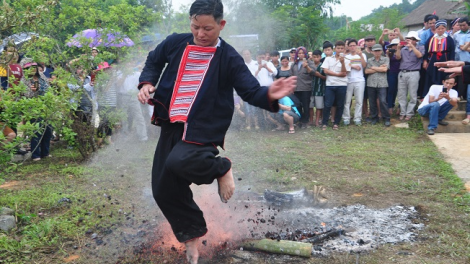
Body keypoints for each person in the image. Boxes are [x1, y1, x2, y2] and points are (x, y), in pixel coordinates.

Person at [136, 1, 297, 263]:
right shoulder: (176, 42)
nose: (200, 34)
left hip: (203, 125)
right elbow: (153, 61)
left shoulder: (229, 57)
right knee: (163, 188)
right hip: (171, 122)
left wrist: (268, 94)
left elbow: (249, 90)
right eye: (195, 27)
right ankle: (192, 238)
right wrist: (147, 83)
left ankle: (221, 167)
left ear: (221, 25)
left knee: (180, 160)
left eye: (208, 29)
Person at [20, 58, 52, 161]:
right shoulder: (24, 80)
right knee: (36, 132)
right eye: (29, 68)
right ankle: (36, 155)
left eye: (34, 67)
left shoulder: (41, 76)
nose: (32, 69)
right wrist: (34, 91)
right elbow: (25, 95)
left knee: (48, 130)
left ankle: (45, 153)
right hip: (33, 109)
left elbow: (49, 88)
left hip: (45, 107)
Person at [321, 41, 350, 130]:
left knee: (340, 104)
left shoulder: (347, 59)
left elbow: (344, 72)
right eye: (338, 48)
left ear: (344, 49)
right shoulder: (328, 59)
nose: (340, 50)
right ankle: (324, 122)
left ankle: (336, 123)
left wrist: (342, 63)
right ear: (335, 49)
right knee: (328, 104)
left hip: (342, 85)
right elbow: (325, 71)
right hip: (330, 84)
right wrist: (338, 74)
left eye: (342, 48)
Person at [395, 31, 424, 121]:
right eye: (408, 39)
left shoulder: (421, 47)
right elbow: (398, 58)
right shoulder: (403, 49)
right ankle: (403, 112)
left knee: (412, 94)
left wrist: (412, 47)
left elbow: (419, 55)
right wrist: (398, 48)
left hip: (414, 72)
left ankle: (410, 113)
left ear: (415, 40)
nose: (408, 41)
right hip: (402, 72)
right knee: (401, 94)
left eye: (411, 39)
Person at [423, 20, 455, 97]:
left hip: (445, 58)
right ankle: (428, 94)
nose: (440, 30)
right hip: (433, 58)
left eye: (442, 28)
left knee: (443, 75)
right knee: (431, 74)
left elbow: (452, 51)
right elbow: (426, 50)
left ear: (445, 28)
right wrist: (425, 61)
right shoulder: (431, 38)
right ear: (436, 29)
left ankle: (443, 94)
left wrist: (451, 61)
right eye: (438, 28)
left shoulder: (449, 39)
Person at [365, 44, 390, 126]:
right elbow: (366, 71)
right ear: (372, 52)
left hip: (382, 83)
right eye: (375, 51)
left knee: (383, 101)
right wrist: (379, 68)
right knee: (372, 101)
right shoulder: (369, 60)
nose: (377, 52)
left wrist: (374, 68)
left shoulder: (386, 59)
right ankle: (374, 117)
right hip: (371, 83)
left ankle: (386, 118)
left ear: (381, 51)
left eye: (379, 50)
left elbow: (385, 69)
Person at [290, 46, 315, 128]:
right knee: (298, 105)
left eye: (303, 53)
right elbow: (292, 76)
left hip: (306, 88)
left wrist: (306, 66)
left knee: (306, 105)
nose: (301, 55)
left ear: (305, 54)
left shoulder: (309, 62)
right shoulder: (295, 64)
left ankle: (305, 121)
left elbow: (313, 72)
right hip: (296, 88)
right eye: (299, 53)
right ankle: (299, 120)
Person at [343, 39, 366, 126]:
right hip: (348, 80)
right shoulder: (346, 56)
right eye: (351, 46)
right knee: (347, 101)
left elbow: (364, 66)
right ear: (348, 47)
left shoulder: (362, 54)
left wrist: (361, 56)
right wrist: (353, 66)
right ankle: (346, 118)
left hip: (360, 80)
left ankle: (357, 118)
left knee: (359, 101)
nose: (353, 47)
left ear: (357, 46)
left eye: (354, 45)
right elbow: (344, 67)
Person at [385, 38, 401, 117]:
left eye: (396, 45)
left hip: (401, 73)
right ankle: (390, 106)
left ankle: (400, 107)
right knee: (391, 90)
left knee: (401, 91)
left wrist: (399, 49)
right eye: (393, 45)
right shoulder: (389, 53)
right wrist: (388, 55)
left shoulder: (403, 51)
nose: (395, 47)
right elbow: (387, 63)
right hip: (391, 73)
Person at [310, 50, 326, 127]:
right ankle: (311, 121)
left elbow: (326, 78)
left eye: (317, 57)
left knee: (319, 107)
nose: (315, 59)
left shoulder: (323, 66)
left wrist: (319, 75)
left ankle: (317, 121)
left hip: (319, 89)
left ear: (320, 57)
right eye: (314, 57)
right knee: (310, 106)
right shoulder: (310, 66)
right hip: (310, 89)